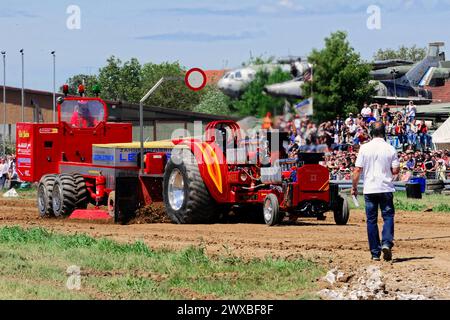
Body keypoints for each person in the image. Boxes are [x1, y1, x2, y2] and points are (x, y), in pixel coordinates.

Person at [352, 122, 400, 261]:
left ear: (371, 133)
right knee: (388, 217)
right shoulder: (390, 148)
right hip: (385, 188)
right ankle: (386, 243)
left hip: (370, 189)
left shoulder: (364, 148)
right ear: (384, 132)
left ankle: (375, 253)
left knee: (371, 221)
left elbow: (357, 170)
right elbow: (396, 170)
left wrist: (354, 187)